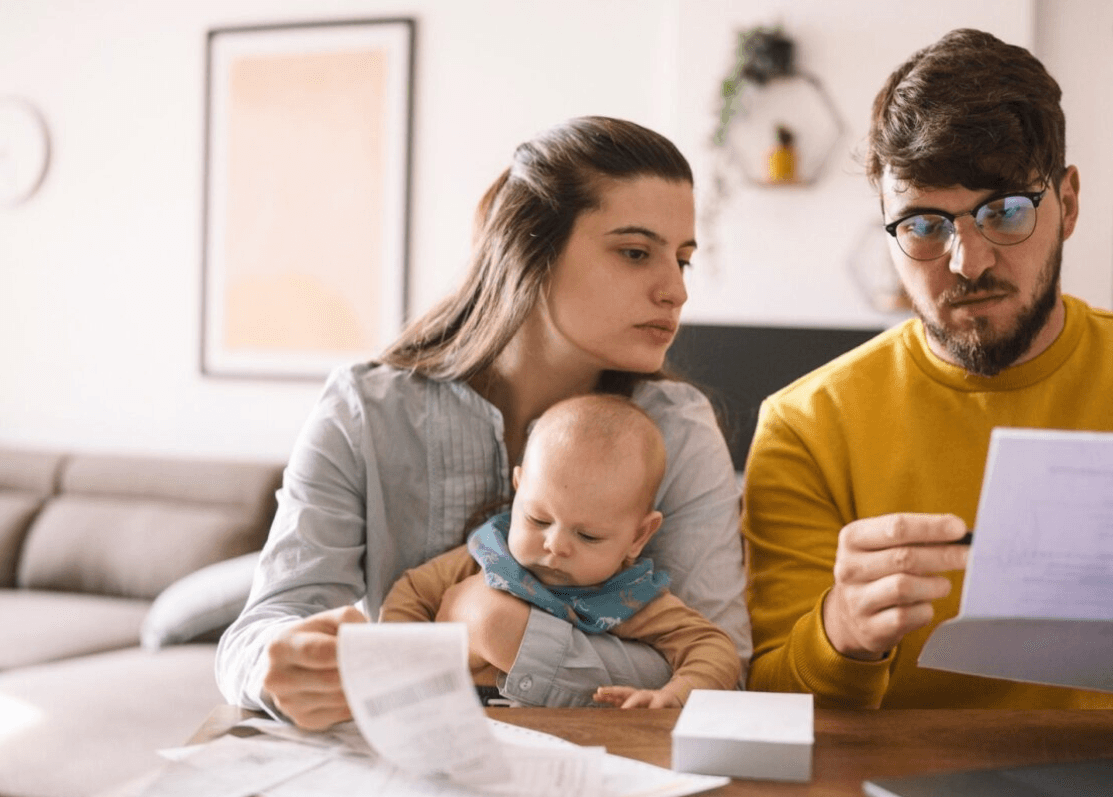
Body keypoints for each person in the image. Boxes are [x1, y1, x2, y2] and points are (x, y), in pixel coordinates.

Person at [741, 29, 1113, 710]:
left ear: (1071, 204)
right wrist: (841, 634)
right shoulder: (805, 428)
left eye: (1005, 211)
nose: (968, 262)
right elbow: (770, 711)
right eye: (923, 224)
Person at [216, 116, 751, 730]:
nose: (676, 291)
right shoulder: (365, 412)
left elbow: (724, 666)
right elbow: (257, 633)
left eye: (682, 260)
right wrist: (276, 666)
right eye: (635, 253)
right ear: (530, 251)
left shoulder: (677, 431)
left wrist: (498, 629)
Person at [380, 393, 741, 708]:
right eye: (538, 519)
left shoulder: (628, 597)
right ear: (519, 489)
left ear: (638, 536)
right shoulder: (487, 555)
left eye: (588, 536)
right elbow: (411, 593)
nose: (555, 545)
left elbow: (714, 649)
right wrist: (400, 671)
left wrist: (676, 694)